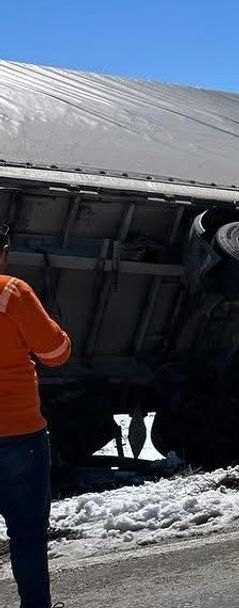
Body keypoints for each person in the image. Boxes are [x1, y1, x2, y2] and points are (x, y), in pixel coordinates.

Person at [0, 223, 72, 608]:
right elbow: (56, 353)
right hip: (19, 436)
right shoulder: (12, 291)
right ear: (4, 251)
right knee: (27, 533)